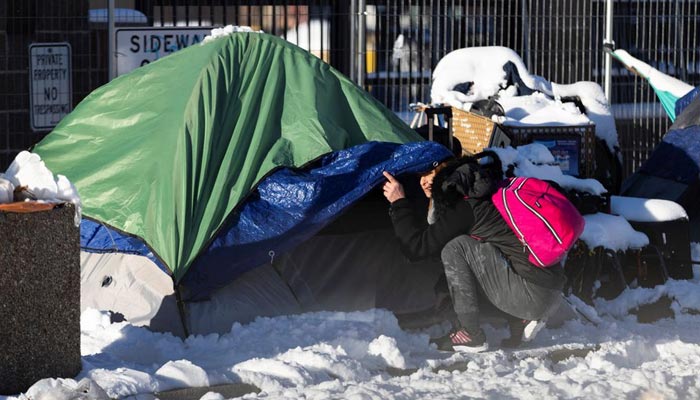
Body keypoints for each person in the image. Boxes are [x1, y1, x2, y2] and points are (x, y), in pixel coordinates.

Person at [382, 155, 566, 352]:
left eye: (428, 173)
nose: (423, 181)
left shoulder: (467, 207)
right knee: (451, 274)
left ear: (444, 172)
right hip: (547, 291)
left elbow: (416, 248)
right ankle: (518, 319)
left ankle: (471, 334)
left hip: (532, 295)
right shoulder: (483, 194)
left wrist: (398, 202)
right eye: (420, 176)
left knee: (455, 247)